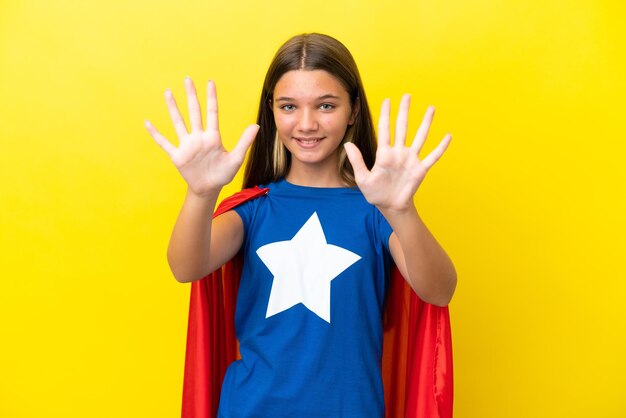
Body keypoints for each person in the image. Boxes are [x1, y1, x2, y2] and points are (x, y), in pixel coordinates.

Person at [145, 33, 457, 418]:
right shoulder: (254, 210)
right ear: (272, 111)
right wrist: (200, 193)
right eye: (289, 106)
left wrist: (403, 210)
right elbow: (185, 267)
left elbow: (439, 291)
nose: (306, 124)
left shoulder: (376, 212)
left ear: (353, 111)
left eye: (326, 105)